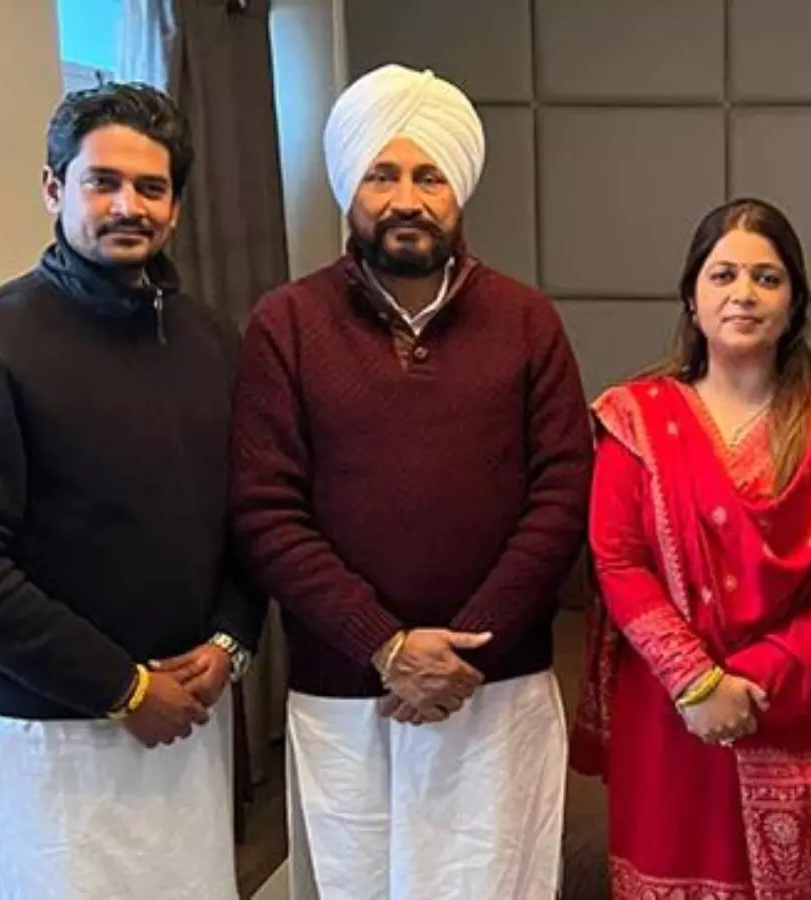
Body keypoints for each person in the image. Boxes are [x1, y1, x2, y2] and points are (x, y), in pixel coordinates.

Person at [230, 64, 593, 900]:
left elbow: (562, 494)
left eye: (428, 176)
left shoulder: (527, 321)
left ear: (458, 189)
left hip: (493, 685)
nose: (406, 199)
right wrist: (385, 645)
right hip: (347, 687)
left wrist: (466, 649)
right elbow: (266, 511)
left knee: (493, 881)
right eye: (381, 175)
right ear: (348, 190)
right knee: (361, 883)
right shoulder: (285, 324)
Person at [0, 82, 263, 899]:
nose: (127, 205)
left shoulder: (212, 340)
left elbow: (252, 517)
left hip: (191, 723)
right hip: (54, 735)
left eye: (151, 187)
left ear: (175, 207)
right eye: (102, 182)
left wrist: (230, 643)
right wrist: (124, 690)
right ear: (54, 189)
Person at [569, 197, 811, 899]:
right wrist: (698, 682)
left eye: (766, 278)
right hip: (670, 709)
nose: (743, 293)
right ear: (692, 299)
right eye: (723, 275)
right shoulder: (637, 418)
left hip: (795, 704)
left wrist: (746, 685)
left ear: (794, 302)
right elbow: (618, 561)